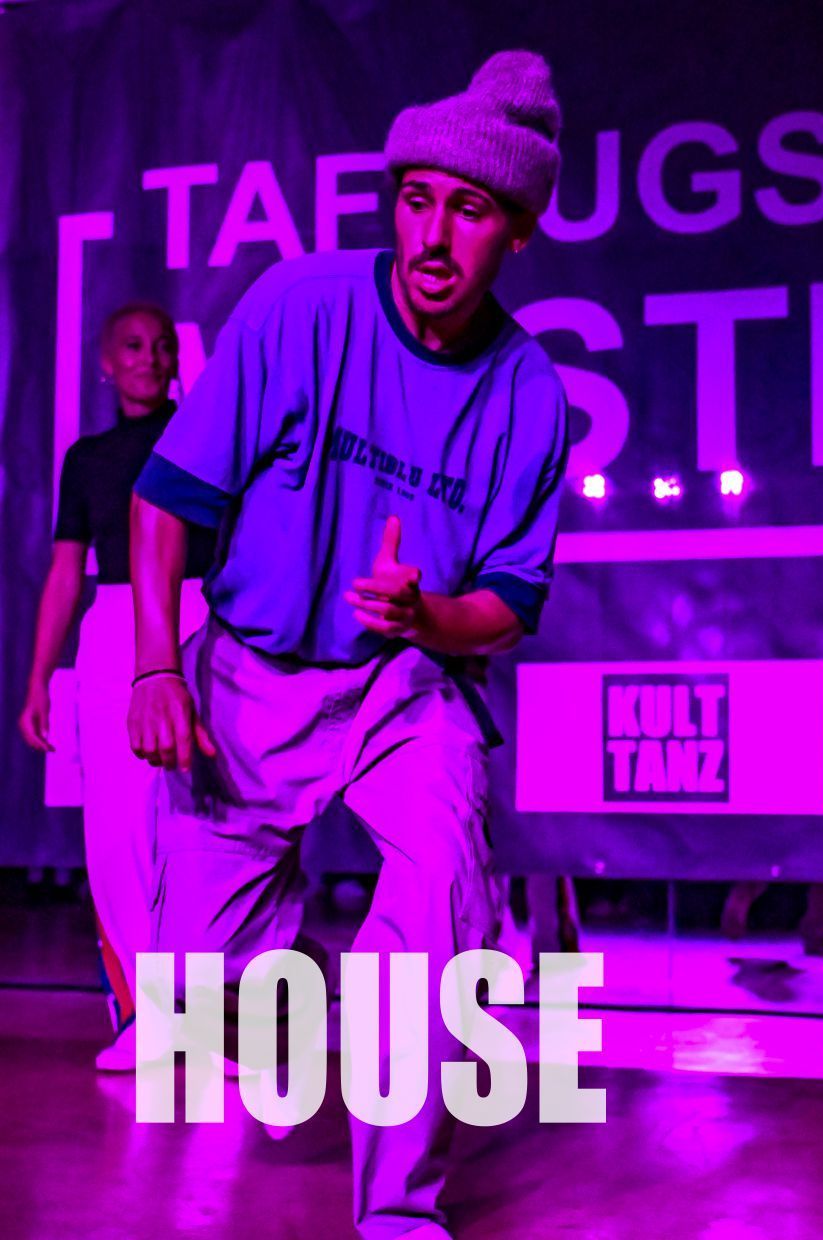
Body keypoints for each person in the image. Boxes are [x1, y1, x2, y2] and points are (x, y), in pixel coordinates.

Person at [127, 51, 567, 1238]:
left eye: (469, 210)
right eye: (417, 199)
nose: (435, 234)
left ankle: (399, 1208)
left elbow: (508, 602)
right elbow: (166, 499)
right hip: (248, 677)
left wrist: (430, 618)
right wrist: (156, 663)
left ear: (516, 232)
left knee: (434, 920)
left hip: (406, 692)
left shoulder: (528, 391)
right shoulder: (299, 306)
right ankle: (312, 985)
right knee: (202, 992)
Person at [18, 302, 213, 1071]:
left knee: (201, 824)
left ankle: (204, 1023)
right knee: (116, 827)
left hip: (197, 618)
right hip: (110, 630)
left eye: (162, 346)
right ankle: (141, 1020)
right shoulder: (87, 459)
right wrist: (40, 678)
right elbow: (66, 571)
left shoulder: (201, 438)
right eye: (133, 346)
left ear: (175, 361)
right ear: (106, 363)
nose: (149, 357)